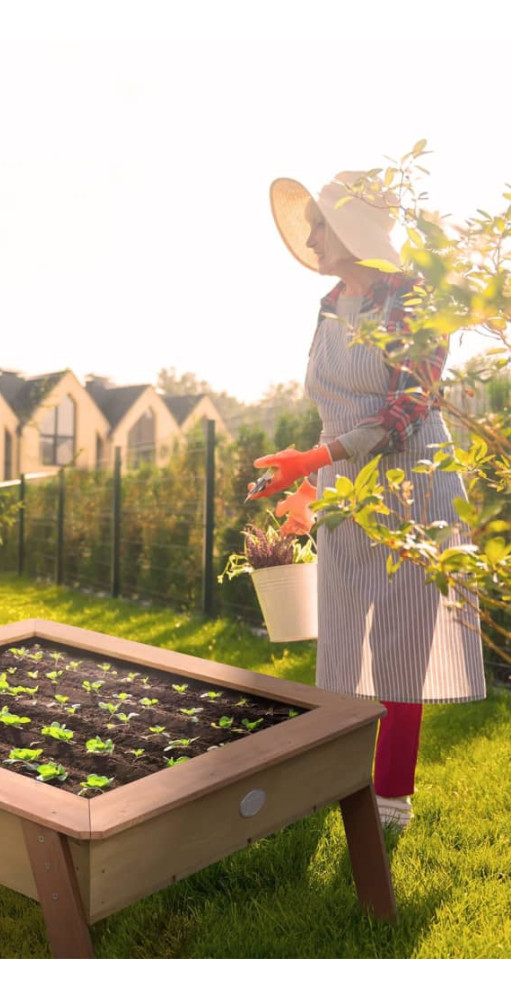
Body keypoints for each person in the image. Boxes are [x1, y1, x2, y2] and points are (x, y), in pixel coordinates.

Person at [251, 171, 486, 831]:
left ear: (352, 229)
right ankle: (338, 780)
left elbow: (403, 412)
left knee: (398, 642)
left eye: (319, 223)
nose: (309, 235)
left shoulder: (414, 300)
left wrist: (316, 463)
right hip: (342, 485)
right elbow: (335, 410)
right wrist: (304, 486)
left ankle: (389, 798)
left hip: (414, 480)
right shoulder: (330, 303)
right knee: (341, 638)